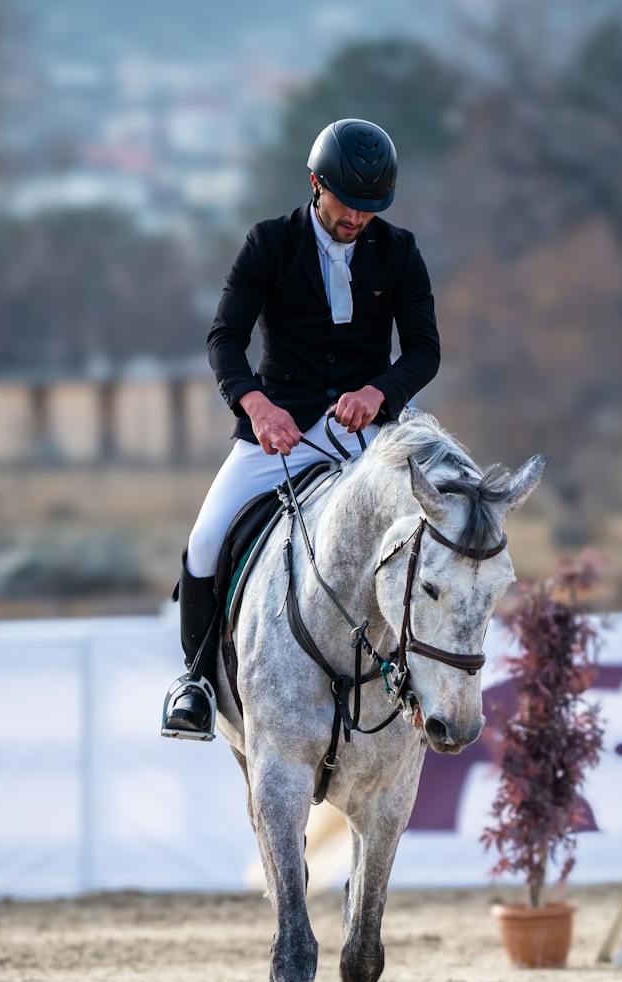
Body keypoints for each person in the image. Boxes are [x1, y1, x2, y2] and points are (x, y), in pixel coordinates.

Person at [161, 118, 441, 739]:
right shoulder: (269, 244)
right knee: (206, 542)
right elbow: (224, 339)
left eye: (371, 209)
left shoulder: (400, 251)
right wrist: (257, 406)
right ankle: (197, 681)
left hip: (365, 431)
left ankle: (424, 674)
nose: (358, 219)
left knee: (429, 534)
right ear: (316, 184)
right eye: (348, 205)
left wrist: (379, 392)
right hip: (278, 429)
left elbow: (424, 351)